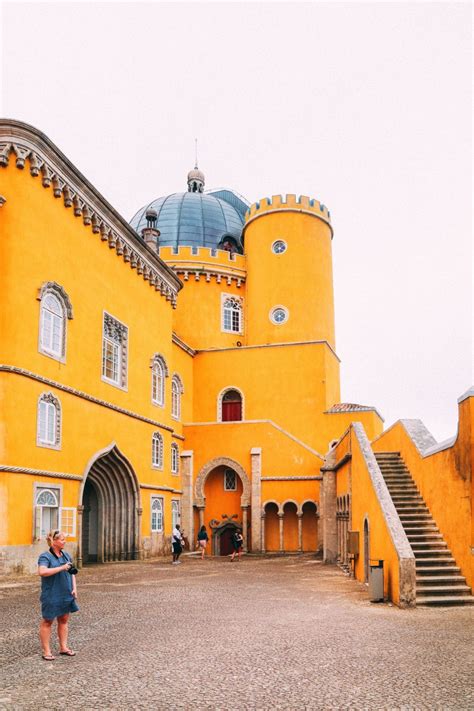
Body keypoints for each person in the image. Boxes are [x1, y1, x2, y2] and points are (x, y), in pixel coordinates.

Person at [37, 530, 79, 661]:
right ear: (54, 541)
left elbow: (71, 572)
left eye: (64, 539)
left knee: (64, 619)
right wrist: (61, 568)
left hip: (66, 592)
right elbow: (42, 571)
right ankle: (47, 651)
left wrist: (74, 588)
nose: (64, 541)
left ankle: (63, 647)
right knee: (48, 621)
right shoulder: (45, 556)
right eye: (62, 540)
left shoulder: (66, 555)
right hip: (51, 593)